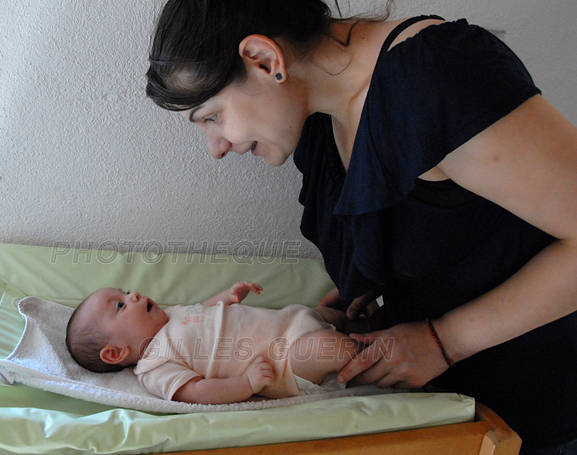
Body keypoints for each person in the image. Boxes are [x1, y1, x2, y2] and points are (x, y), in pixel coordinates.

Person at [144, 0, 577, 452]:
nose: (215, 147)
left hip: (542, 408)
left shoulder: (436, 77)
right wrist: (371, 278)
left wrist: (445, 340)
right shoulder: (317, 116)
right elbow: (447, 222)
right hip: (450, 414)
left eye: (211, 116)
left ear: (264, 59)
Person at [66, 281, 367, 404]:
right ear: (116, 352)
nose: (132, 295)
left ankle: (370, 325)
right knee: (338, 349)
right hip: (285, 363)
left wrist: (228, 297)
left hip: (291, 320)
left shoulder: (171, 316)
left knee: (332, 315)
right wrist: (247, 384)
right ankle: (379, 354)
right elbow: (196, 392)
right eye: (119, 305)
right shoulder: (153, 367)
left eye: (125, 291)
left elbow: (203, 311)